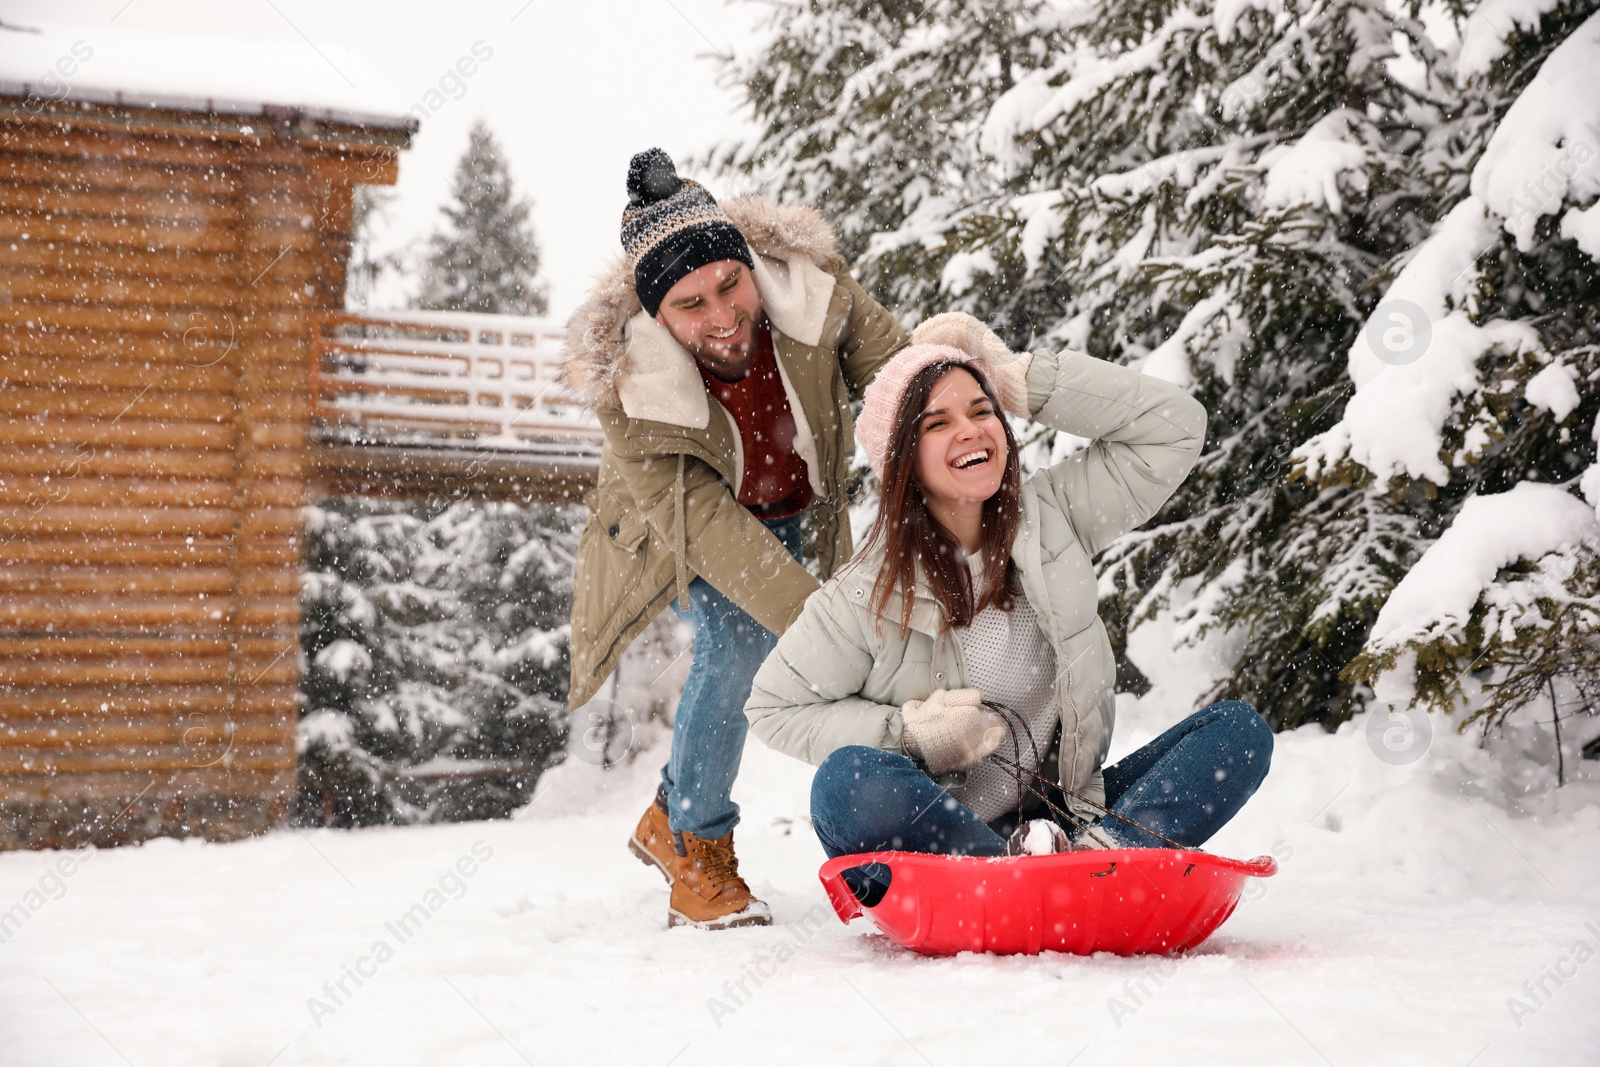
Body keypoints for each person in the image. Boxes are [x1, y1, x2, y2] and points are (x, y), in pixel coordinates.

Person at [744, 313, 1273, 874]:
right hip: (946, 841)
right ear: (904, 460)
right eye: (938, 423)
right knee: (845, 784)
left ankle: (1101, 858)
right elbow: (774, 708)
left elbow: (1176, 428)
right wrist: (911, 735)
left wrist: (1020, 379)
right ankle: (1009, 874)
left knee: (1238, 734)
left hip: (1066, 826)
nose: (971, 430)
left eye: (982, 410)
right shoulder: (861, 595)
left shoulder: (1052, 516)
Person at [562, 149, 908, 929]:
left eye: (730, 283)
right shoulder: (632, 391)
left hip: (799, 503)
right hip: (689, 523)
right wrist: (825, 626)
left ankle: (669, 809)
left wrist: (946, 437)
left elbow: (896, 376)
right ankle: (694, 840)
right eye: (690, 304)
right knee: (743, 646)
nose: (721, 315)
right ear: (657, 317)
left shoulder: (817, 297)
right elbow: (709, 527)